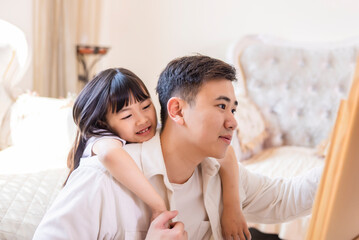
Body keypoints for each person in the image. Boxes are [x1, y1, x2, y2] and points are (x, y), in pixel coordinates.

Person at [33, 55, 322, 240]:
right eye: (221, 106)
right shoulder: (100, 180)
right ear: (177, 111)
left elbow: (286, 199)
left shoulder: (217, 172)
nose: (233, 122)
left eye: (233, 110)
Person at [57, 67, 248, 239]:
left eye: (146, 106)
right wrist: (158, 205)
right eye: (127, 115)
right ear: (103, 123)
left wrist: (232, 207)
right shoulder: (102, 139)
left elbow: (227, 155)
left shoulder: (152, 132)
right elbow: (109, 155)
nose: (142, 120)